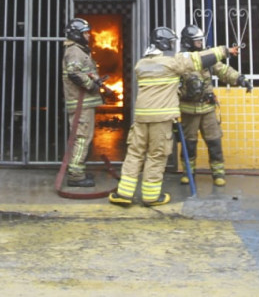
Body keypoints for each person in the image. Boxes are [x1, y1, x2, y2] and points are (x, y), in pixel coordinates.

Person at [109, 26, 240, 207]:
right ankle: (151, 196)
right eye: (170, 42)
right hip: (161, 119)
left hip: (140, 119)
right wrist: (225, 50)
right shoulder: (172, 64)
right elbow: (198, 59)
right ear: (164, 43)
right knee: (156, 155)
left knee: (135, 154)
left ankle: (124, 194)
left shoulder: (141, 65)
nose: (171, 46)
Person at [177, 24, 252, 187]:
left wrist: (240, 79)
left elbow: (223, 70)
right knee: (189, 143)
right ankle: (188, 172)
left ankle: (218, 173)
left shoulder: (207, 59)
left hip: (208, 109)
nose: (200, 44)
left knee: (214, 141)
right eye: (197, 41)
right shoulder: (181, 61)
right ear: (189, 42)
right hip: (188, 110)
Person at [61, 17, 103, 188]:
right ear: (77, 34)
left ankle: (79, 170)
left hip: (83, 102)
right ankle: (76, 175)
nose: (88, 35)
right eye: (85, 32)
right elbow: (74, 73)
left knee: (84, 137)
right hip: (80, 103)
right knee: (81, 138)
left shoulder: (79, 50)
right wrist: (91, 85)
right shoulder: (75, 52)